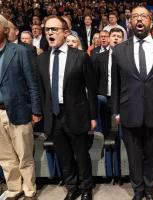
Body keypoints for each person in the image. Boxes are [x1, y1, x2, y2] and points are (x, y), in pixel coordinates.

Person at [111, 6, 153, 200]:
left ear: (151, 22)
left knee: (152, 154)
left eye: (143, 16)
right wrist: (116, 112)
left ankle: (149, 189)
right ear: (129, 22)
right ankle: (138, 190)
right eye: (135, 16)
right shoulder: (120, 49)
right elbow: (115, 84)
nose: (139, 19)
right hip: (129, 111)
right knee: (134, 156)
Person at [37, 16, 97, 200]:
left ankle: (86, 188)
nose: (50, 33)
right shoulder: (42, 59)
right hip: (54, 116)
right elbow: (42, 91)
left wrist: (92, 116)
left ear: (65, 32)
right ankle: (72, 188)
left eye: (54, 29)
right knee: (64, 156)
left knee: (81, 154)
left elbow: (92, 89)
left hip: (76, 114)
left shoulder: (80, 57)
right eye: (47, 29)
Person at [0, 14, 42, 200]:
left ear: (5, 30)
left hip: (18, 110)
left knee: (24, 155)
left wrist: (36, 110)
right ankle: (14, 187)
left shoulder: (20, 51)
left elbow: (32, 82)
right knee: (5, 156)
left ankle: (29, 189)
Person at [94, 27, 124, 137]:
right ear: (109, 38)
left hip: (122, 97)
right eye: (113, 36)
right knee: (105, 129)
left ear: (122, 40)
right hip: (104, 97)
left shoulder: (127, 57)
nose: (116, 38)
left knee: (122, 131)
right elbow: (95, 79)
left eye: (119, 36)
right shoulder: (100, 57)